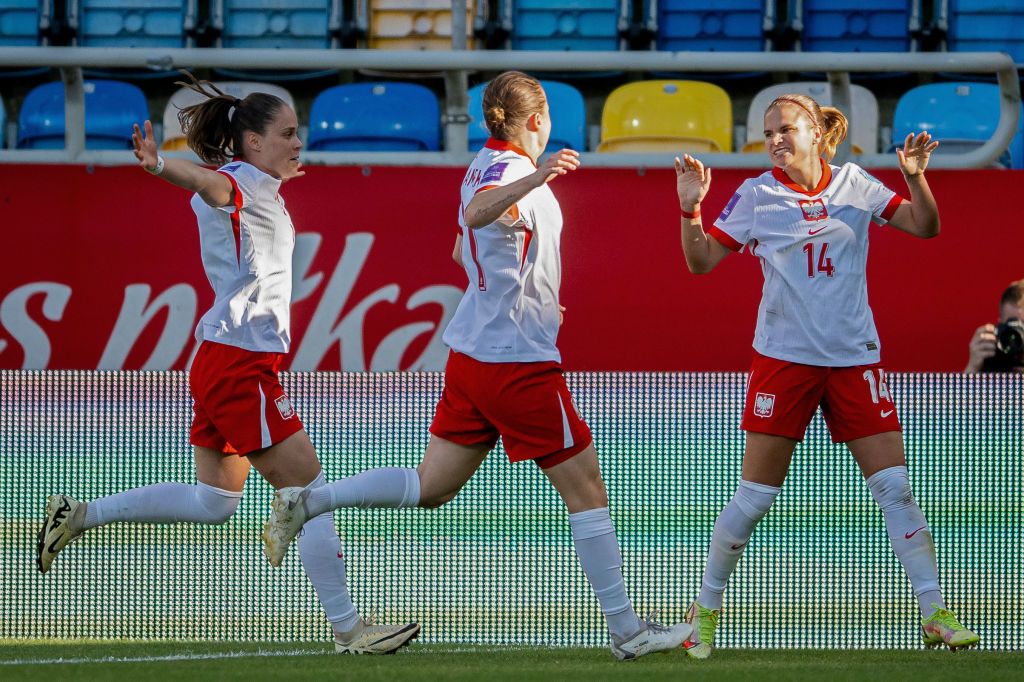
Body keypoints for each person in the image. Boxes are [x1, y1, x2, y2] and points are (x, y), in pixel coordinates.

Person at [259, 71, 691, 661]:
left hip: (475, 355)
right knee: (587, 490)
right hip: (515, 362)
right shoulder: (512, 171)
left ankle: (309, 501)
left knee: (431, 486)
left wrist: (530, 289)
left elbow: (465, 248)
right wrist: (538, 179)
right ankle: (626, 631)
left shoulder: (484, 162)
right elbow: (481, 214)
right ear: (536, 121)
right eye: (545, 123)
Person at [36, 74, 419, 655]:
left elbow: (225, 192)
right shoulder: (241, 183)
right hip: (240, 364)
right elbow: (214, 185)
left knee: (216, 502)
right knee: (306, 491)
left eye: (299, 133)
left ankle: (80, 514)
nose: (298, 143)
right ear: (251, 141)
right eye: (287, 134)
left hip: (222, 358)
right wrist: (161, 167)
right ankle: (350, 631)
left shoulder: (259, 184)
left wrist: (267, 174)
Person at [674, 93, 979, 657]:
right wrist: (691, 209)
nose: (776, 141)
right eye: (769, 134)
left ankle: (934, 611)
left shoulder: (856, 184)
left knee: (896, 489)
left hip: (853, 358)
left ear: (816, 132)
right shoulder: (756, 195)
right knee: (755, 496)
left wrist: (916, 180)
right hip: (783, 360)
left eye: (786, 129)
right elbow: (701, 262)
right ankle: (704, 611)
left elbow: (925, 226)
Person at [965, 279, 1024, 373]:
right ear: (1000, 327)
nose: (1018, 336)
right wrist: (972, 368)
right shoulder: (993, 358)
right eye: (1012, 327)